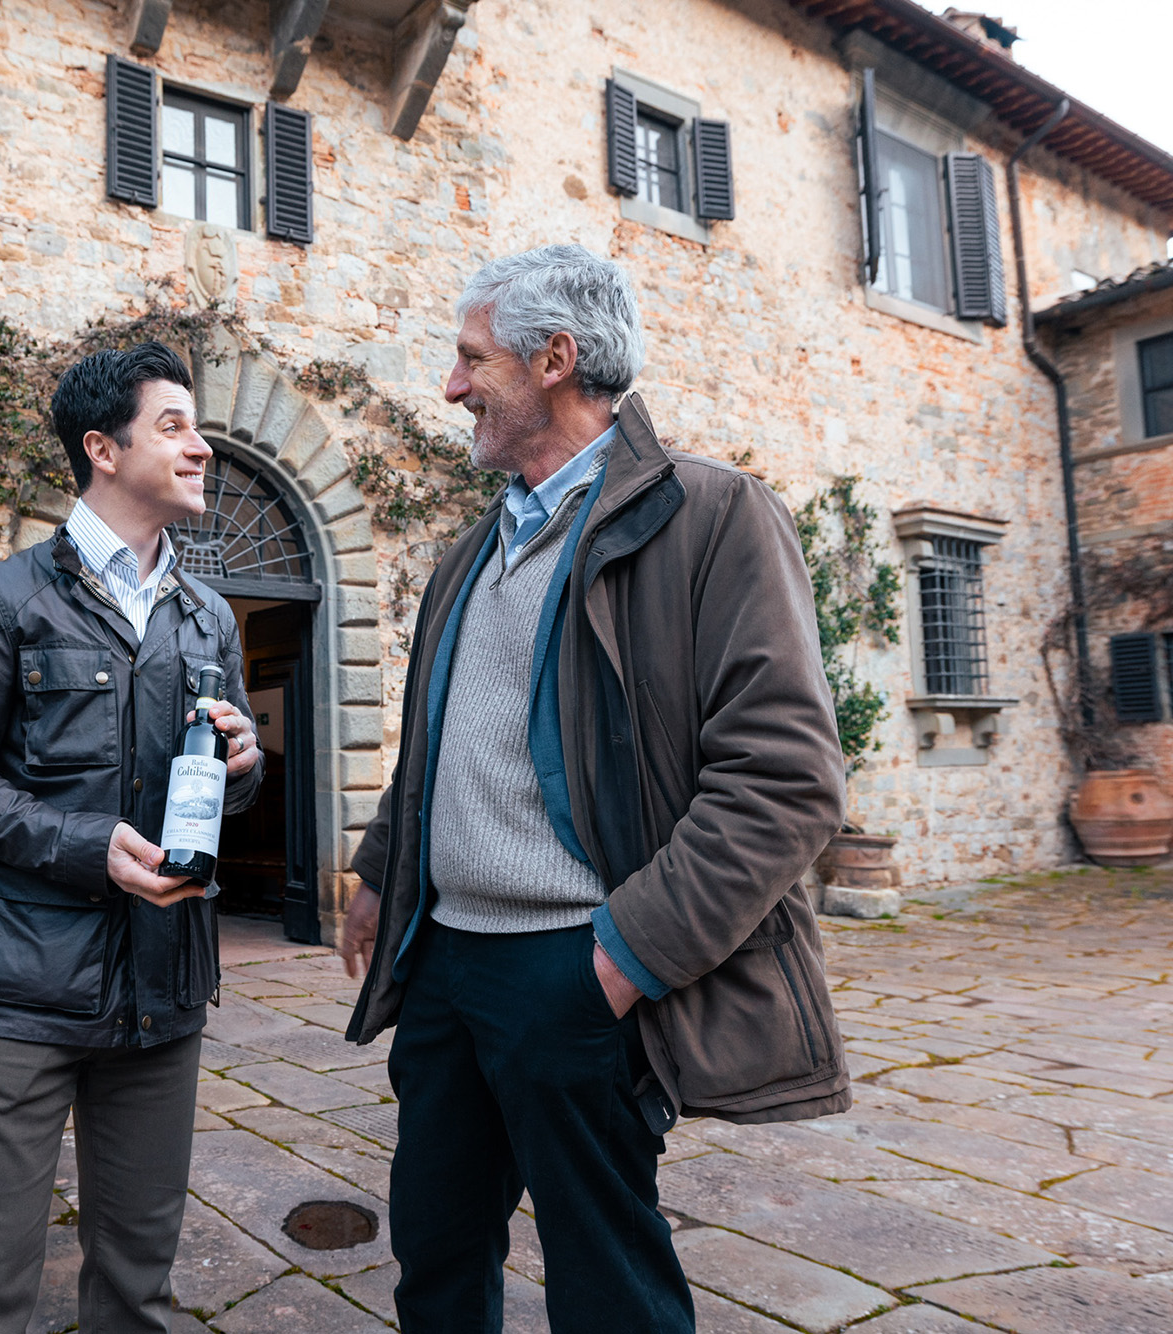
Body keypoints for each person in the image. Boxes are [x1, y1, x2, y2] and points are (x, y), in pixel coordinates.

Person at [339, 245, 851, 1334]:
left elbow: (785, 780)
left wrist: (620, 959)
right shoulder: (465, 553)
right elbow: (435, 742)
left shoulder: (712, 518)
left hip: (573, 967)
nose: (450, 384)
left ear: (554, 360)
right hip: (441, 967)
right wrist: (381, 869)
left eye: (471, 358)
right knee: (431, 1250)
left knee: (605, 1278)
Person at [0, 341, 263, 1334]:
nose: (201, 449)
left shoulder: (208, 616)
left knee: (139, 1281)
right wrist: (82, 842)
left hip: (164, 987)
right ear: (102, 448)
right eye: (173, 426)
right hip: (19, 985)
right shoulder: (3, 599)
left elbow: (224, 788)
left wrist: (242, 765)